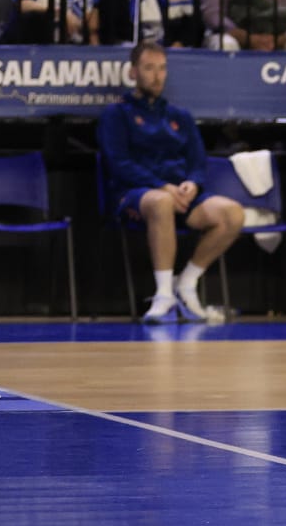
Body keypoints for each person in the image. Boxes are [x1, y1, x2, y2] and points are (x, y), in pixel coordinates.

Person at [96, 42, 244, 323]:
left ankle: (186, 285)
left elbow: (197, 161)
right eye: (149, 68)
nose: (157, 76)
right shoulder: (116, 114)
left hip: (181, 194)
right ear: (133, 72)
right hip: (135, 193)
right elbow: (119, 163)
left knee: (233, 214)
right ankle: (163, 296)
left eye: (162, 69)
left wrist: (193, 183)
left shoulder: (180, 116)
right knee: (162, 202)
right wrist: (161, 186)